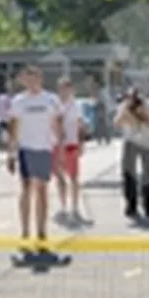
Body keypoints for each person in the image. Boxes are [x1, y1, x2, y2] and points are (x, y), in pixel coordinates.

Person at [7, 66, 63, 252]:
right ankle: (24, 232)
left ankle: (41, 232)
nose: (31, 82)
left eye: (34, 78)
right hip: (25, 148)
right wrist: (11, 153)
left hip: (44, 148)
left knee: (42, 190)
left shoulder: (51, 100)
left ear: (40, 79)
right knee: (26, 188)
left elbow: (57, 124)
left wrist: (60, 149)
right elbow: (13, 128)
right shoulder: (19, 101)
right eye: (27, 79)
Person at [115, 86, 149, 218]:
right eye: (131, 97)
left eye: (136, 98)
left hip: (147, 143)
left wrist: (144, 112)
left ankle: (148, 205)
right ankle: (131, 204)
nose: (134, 101)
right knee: (129, 173)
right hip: (130, 141)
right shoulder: (124, 107)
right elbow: (117, 123)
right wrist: (125, 110)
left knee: (148, 174)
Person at [53, 76, 87, 218]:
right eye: (61, 87)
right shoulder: (54, 104)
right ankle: (63, 206)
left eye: (67, 87)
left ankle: (75, 207)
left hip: (71, 143)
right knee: (59, 177)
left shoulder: (76, 105)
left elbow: (80, 125)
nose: (64, 90)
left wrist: (81, 143)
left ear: (71, 89)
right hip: (55, 144)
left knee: (73, 177)